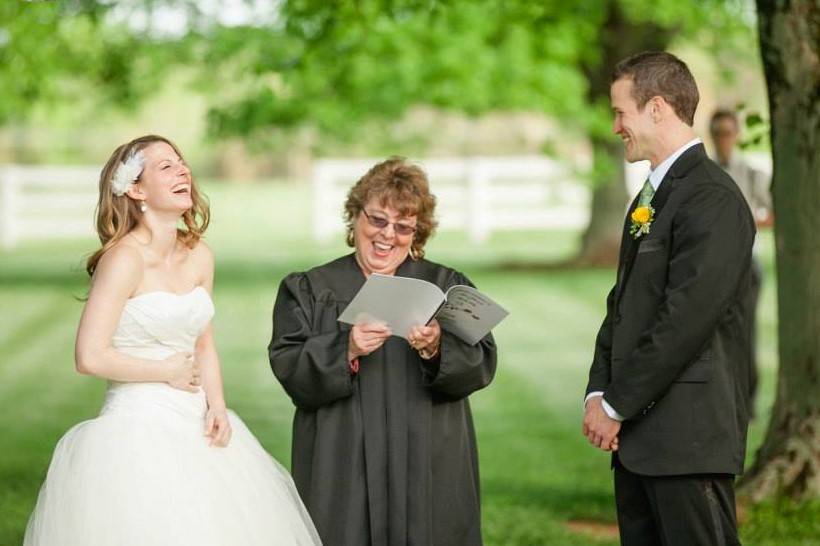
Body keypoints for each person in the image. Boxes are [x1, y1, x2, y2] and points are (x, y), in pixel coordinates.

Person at [24, 135, 321, 546]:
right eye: (166, 166)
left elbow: (203, 342)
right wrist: (163, 371)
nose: (183, 170)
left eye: (182, 162)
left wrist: (217, 404)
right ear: (136, 189)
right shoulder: (123, 259)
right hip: (136, 425)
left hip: (197, 420)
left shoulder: (200, 255)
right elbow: (89, 356)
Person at [269, 157, 497, 546]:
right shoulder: (310, 289)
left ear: (417, 234)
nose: (387, 235)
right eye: (376, 220)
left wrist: (437, 347)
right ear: (355, 217)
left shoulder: (444, 285)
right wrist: (347, 347)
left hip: (428, 458)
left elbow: (480, 364)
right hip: (342, 458)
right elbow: (289, 366)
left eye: (403, 227)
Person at [582, 52, 755, 546]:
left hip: (688, 440)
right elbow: (622, 306)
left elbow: (685, 319)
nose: (616, 126)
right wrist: (597, 391)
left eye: (621, 112)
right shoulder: (650, 199)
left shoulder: (711, 198)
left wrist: (615, 404)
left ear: (656, 107)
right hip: (640, 442)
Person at [710, 108, 773, 412]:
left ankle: (747, 401)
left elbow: (773, 213)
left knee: (745, 334)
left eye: (727, 132)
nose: (722, 138)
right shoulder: (704, 171)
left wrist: (742, 224)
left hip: (744, 265)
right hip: (710, 267)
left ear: (736, 135)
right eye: (717, 132)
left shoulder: (750, 173)